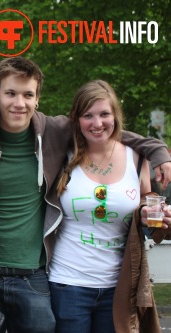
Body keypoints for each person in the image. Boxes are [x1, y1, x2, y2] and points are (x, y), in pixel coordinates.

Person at [0, 56, 171, 333]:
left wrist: (157, 150)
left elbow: (103, 127)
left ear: (37, 98)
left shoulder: (53, 131)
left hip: (32, 275)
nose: (19, 103)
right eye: (10, 93)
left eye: (27, 94)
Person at [48, 80, 158, 332]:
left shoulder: (137, 157)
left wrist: (150, 213)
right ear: (76, 119)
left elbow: (146, 203)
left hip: (118, 288)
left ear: (115, 116)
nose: (97, 124)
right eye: (88, 115)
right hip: (67, 284)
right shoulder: (61, 154)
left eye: (104, 114)